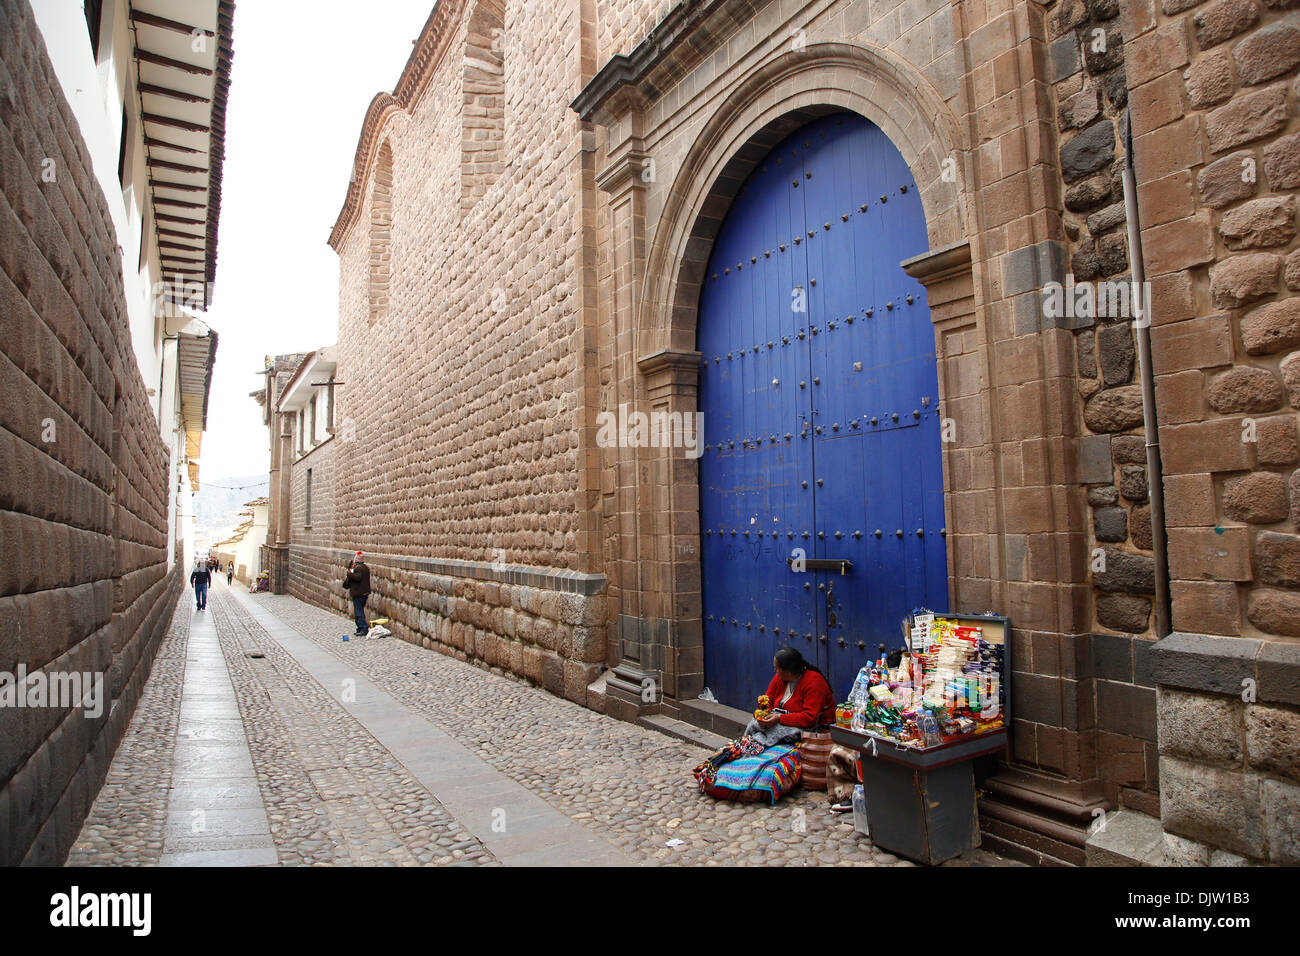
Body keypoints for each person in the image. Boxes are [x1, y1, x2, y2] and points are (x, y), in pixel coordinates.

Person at [743, 647, 836, 748]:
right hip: (783, 719)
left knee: (776, 731)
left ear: (788, 671)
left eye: (776, 668)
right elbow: (768, 700)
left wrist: (779, 718)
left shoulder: (814, 682)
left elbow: (809, 718)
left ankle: (755, 748)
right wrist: (763, 715)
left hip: (811, 727)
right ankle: (744, 746)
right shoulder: (780, 677)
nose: (775, 671)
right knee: (754, 724)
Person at [344, 550, 371, 637]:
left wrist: (349, 574)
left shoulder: (359, 568)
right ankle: (360, 628)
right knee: (359, 611)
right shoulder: (365, 567)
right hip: (363, 593)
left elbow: (358, 577)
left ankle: (363, 628)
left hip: (359, 593)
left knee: (358, 612)